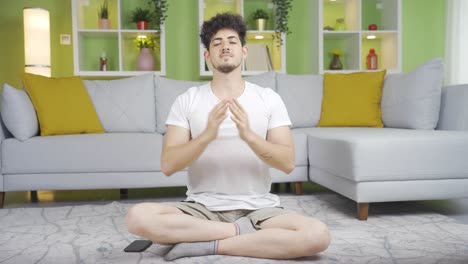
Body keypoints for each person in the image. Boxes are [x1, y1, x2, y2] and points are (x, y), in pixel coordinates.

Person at [125, 13, 331, 260]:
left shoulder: (268, 98)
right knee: (137, 217)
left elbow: (287, 163)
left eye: (232, 41)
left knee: (318, 235)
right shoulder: (188, 100)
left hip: (260, 210)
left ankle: (208, 244)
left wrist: (249, 136)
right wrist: (206, 136)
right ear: (207, 56)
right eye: (217, 42)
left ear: (244, 52)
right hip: (202, 210)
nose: (225, 46)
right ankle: (237, 233)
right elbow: (168, 165)